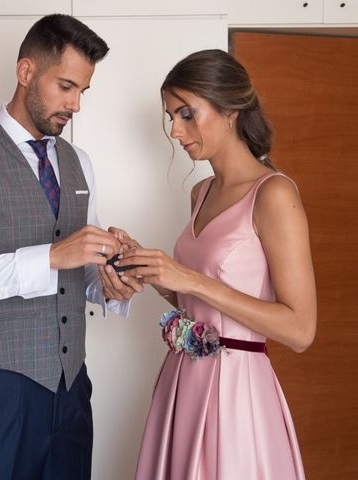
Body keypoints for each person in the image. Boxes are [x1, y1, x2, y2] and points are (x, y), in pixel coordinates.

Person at [0, 14, 138, 480]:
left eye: (83, 92)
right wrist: (50, 257)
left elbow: (84, 272)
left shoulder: (80, 164)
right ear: (26, 72)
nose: (76, 104)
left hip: (72, 389)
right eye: (66, 86)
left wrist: (113, 284)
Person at [114, 49, 317, 479]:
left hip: (237, 392)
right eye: (171, 116)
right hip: (181, 383)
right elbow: (195, 297)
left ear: (230, 110)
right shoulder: (201, 192)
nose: (174, 130)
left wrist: (190, 278)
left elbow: (300, 330)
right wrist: (146, 266)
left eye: (187, 114)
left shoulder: (273, 194)